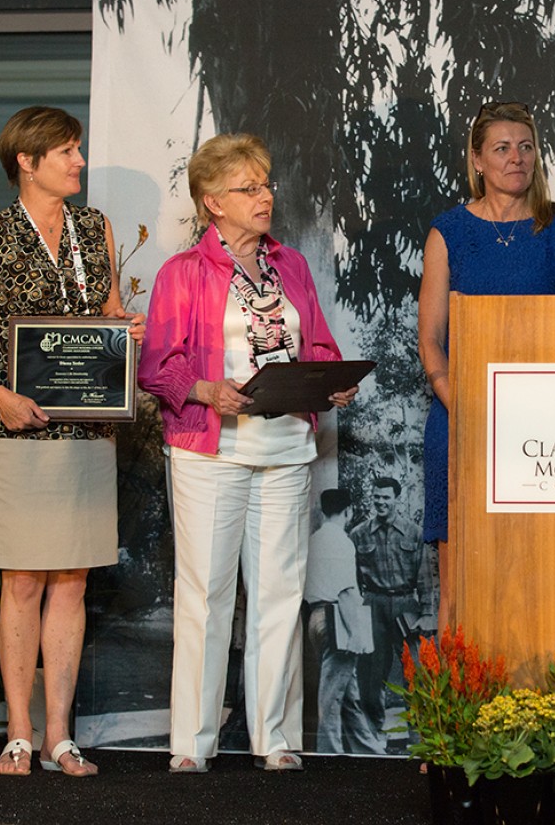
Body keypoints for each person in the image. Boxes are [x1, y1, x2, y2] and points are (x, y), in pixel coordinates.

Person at [137, 133, 356, 774]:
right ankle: (192, 745)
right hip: (211, 451)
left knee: (280, 594)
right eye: (248, 188)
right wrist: (205, 389)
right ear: (213, 201)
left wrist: (331, 378)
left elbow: (317, 345)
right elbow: (157, 366)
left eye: (266, 185)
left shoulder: (292, 267)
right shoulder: (183, 272)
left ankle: (275, 740)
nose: (265, 197)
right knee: (206, 595)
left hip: (287, 448)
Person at [0, 105, 144, 777]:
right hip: (17, 431)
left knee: (73, 582)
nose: (80, 162)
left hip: (88, 429)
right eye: (66, 152)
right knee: (24, 580)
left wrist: (125, 330)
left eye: (78, 150)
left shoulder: (95, 227)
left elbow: (104, 311)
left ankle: (59, 735)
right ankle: (19, 734)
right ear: (27, 162)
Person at [418, 101, 555, 621]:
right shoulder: (447, 232)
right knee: (460, 585)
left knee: (540, 572)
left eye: (525, 146)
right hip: (462, 422)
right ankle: (456, 676)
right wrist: (462, 404)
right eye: (501, 148)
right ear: (477, 160)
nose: (516, 158)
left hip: (544, 431)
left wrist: (536, 415)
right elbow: (431, 340)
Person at [303, 488, 384, 754]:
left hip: (315, 616)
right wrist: (357, 634)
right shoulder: (342, 542)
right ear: (349, 511)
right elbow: (346, 591)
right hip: (337, 617)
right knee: (331, 697)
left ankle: (370, 751)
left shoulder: (314, 540)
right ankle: (330, 754)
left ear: (322, 511)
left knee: (348, 694)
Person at [350, 476, 427, 743]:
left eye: (386, 497)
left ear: (397, 499)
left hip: (406, 605)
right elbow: (353, 579)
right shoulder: (359, 534)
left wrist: (427, 613)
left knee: (414, 671)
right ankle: (374, 737)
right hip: (373, 605)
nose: (380, 502)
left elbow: (424, 577)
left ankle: (418, 737)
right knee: (371, 674)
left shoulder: (414, 533)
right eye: (376, 497)